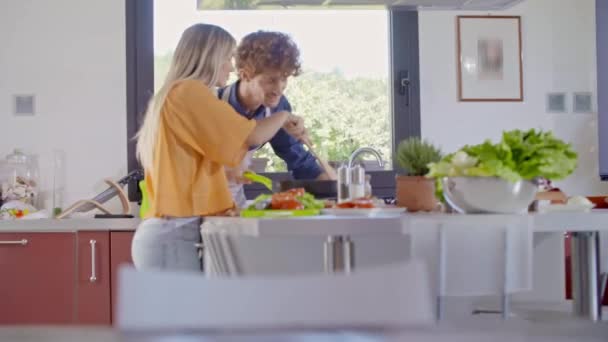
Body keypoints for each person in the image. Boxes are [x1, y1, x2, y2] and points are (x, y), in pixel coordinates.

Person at [131, 23, 304, 271]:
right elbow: (251, 135)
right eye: (226, 58)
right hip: (173, 235)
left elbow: (203, 158)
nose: (230, 66)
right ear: (208, 57)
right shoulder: (189, 92)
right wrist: (283, 116)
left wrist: (226, 174)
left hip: (173, 233)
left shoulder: (178, 95)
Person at [218, 31, 335, 206]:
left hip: (235, 201)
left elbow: (295, 155)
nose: (279, 89)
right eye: (271, 80)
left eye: (284, 79)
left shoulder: (278, 107)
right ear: (244, 74)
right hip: (200, 201)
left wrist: (328, 182)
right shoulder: (215, 103)